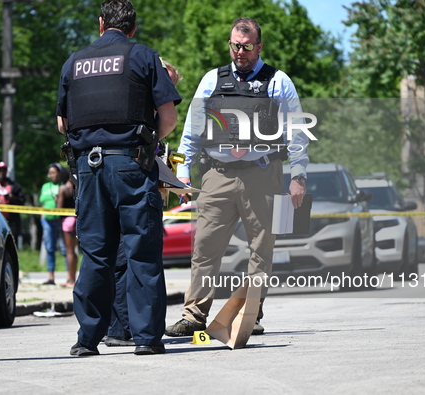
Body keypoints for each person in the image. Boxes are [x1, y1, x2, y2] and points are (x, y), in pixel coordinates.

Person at [165, 17, 310, 338]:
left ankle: (251, 314)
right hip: (217, 174)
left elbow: (297, 132)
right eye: (234, 45)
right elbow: (192, 131)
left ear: (259, 47)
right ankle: (194, 316)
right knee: (204, 247)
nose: (239, 52)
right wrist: (183, 172)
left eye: (246, 46)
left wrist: (298, 174)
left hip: (263, 173)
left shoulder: (278, 81)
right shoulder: (212, 80)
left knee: (262, 248)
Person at [56, 0, 181, 356]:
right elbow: (168, 119)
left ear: (100, 24)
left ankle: (87, 340)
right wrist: (147, 140)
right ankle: (145, 339)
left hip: (87, 169)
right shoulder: (143, 56)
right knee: (141, 251)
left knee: (96, 253)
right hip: (131, 165)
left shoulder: (74, 62)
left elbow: (62, 124)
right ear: (133, 28)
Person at [103, 59, 183, 348]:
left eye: (172, 86)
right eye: (165, 83)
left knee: (130, 258)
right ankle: (119, 328)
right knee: (125, 259)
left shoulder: (152, 122)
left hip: (147, 196)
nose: (167, 91)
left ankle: (126, 327)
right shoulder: (133, 119)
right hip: (126, 194)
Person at [39, 163, 66, 285]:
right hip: (47, 220)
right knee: (50, 248)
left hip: (60, 220)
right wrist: (42, 216)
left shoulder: (64, 186)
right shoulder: (45, 186)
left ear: (59, 173)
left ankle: (70, 277)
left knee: (65, 249)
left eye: (54, 172)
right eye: (50, 173)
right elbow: (42, 203)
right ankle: (51, 277)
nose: (52, 175)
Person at [0, 161, 26, 243]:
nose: (1, 172)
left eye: (3, 170)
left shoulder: (14, 186)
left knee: (12, 242)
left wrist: (13, 198)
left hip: (12, 221)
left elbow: (22, 200)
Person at [57, 167, 78, 288]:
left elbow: (59, 209)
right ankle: (73, 278)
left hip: (67, 221)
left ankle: (71, 280)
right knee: (74, 252)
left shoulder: (63, 188)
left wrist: (57, 200)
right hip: (76, 219)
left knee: (69, 251)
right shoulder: (76, 187)